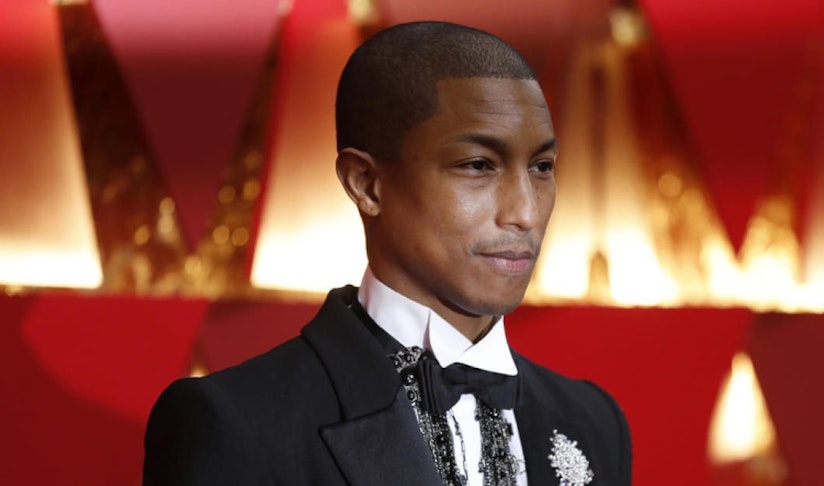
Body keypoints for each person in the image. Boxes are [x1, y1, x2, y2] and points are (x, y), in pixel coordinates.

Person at [143, 21, 631, 486]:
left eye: (542, 166)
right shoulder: (236, 422)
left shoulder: (592, 420)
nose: (525, 212)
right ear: (366, 184)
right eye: (478, 165)